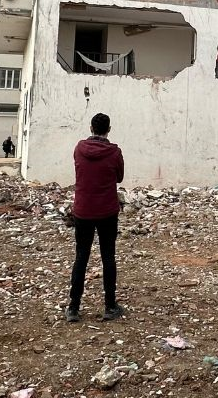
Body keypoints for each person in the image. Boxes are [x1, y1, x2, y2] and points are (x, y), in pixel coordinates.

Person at [66, 112, 125, 323]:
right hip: (107, 211)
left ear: (91, 128)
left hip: (83, 210)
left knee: (81, 257)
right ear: (109, 129)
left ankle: (73, 308)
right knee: (108, 257)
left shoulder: (79, 149)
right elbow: (119, 177)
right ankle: (110, 306)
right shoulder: (114, 152)